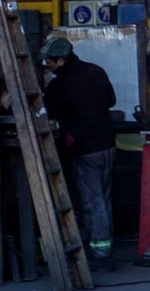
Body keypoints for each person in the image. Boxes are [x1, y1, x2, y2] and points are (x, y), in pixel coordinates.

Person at [40, 36, 117, 268]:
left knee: (93, 202)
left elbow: (47, 115)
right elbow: (111, 101)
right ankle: (103, 245)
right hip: (108, 145)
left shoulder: (58, 86)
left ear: (61, 60)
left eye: (50, 62)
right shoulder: (96, 72)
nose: (47, 66)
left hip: (84, 150)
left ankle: (101, 252)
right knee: (103, 197)